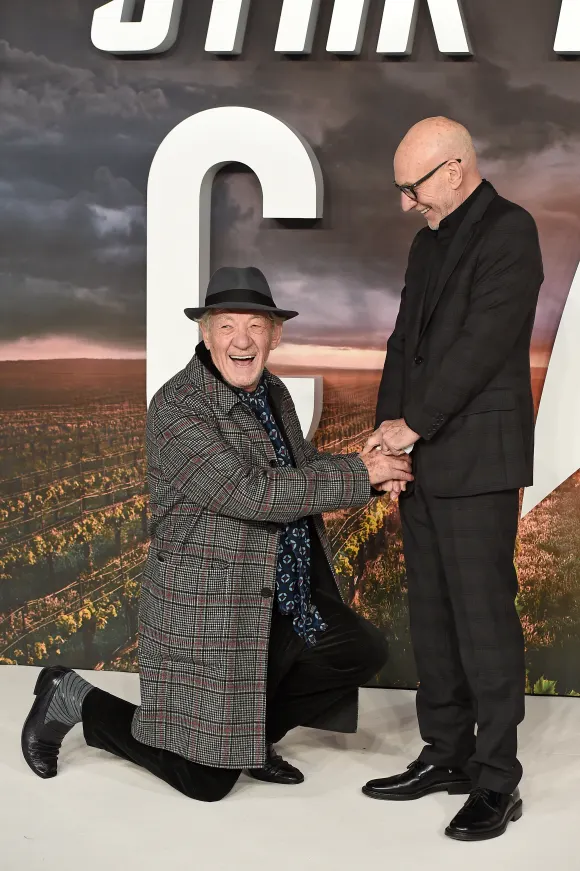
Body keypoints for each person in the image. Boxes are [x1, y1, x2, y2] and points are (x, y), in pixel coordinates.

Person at [22, 266, 413, 802]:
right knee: (204, 783)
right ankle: (72, 696)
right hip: (211, 608)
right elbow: (250, 492)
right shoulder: (179, 407)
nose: (242, 340)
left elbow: (295, 466)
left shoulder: (272, 391)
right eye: (227, 326)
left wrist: (371, 471)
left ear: (276, 335)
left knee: (358, 649)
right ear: (205, 334)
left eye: (256, 326)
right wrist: (359, 475)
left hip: (276, 596)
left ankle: (246, 741)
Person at [362, 117, 544, 842]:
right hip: (423, 459)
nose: (406, 202)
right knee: (432, 617)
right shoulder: (426, 241)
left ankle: (497, 779)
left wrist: (412, 425)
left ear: (456, 170)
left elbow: (482, 346)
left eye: (413, 187)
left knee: (483, 620)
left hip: (479, 462)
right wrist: (386, 436)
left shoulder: (512, 230)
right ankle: (445, 754)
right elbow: (403, 341)